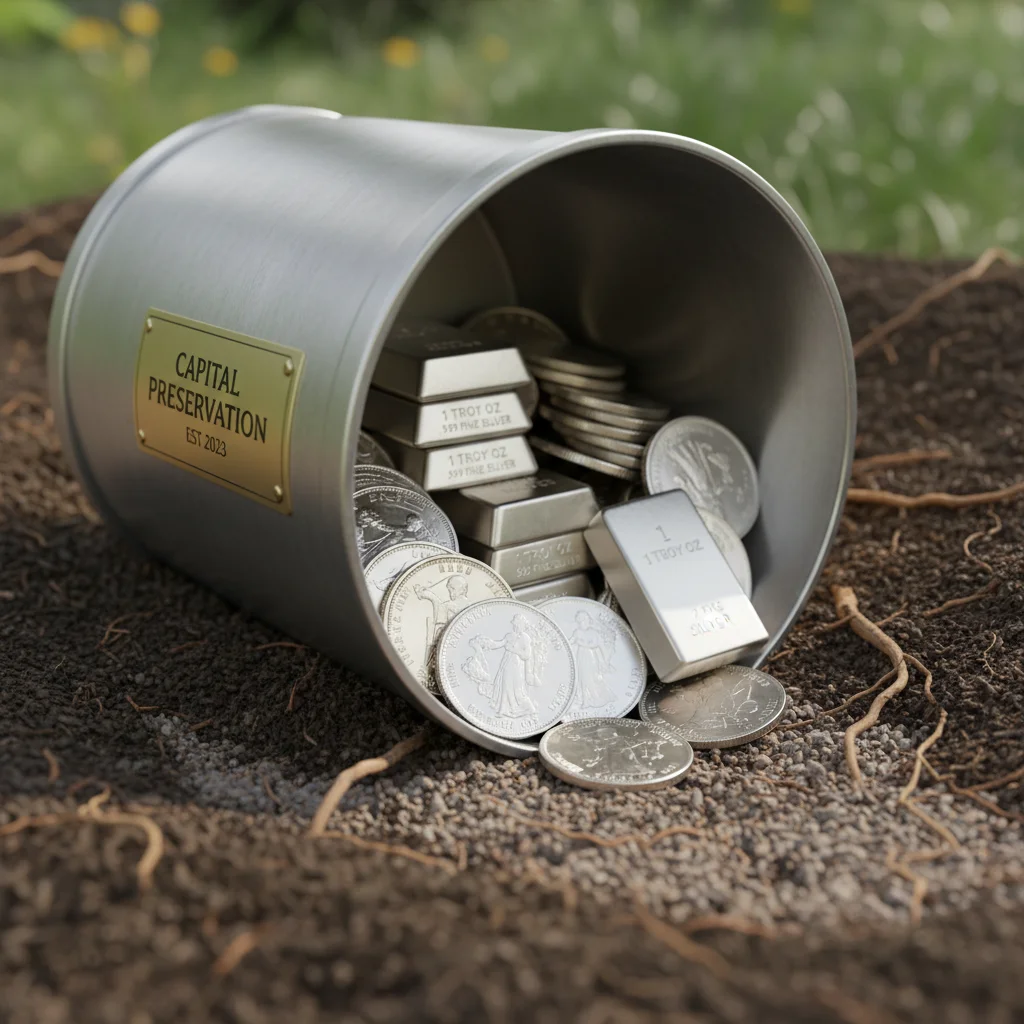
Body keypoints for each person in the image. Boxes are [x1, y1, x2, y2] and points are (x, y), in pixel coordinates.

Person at [471, 613, 540, 718]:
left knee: (518, 690)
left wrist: (514, 650)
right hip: (506, 665)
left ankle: (531, 709)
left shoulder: (526, 638)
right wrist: (486, 642)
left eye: (517, 624)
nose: (515, 626)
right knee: (504, 685)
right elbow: (498, 644)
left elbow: (527, 655)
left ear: (522, 625)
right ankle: (503, 710)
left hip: (517, 667)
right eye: (514, 624)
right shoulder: (509, 635)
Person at [414, 574, 472, 665]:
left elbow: (439, 623)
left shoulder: (450, 606)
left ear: (464, 590)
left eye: (453, 589)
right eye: (449, 589)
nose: (450, 592)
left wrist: (427, 595)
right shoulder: (470, 606)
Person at [567, 610, 614, 710]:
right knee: (582, 678)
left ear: (587, 620)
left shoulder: (593, 632)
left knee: (592, 678)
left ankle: (596, 697)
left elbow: (600, 646)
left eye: (583, 620)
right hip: (581, 657)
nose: (581, 623)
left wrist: (605, 661)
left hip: (591, 658)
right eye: (579, 621)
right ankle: (585, 701)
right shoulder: (577, 632)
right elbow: (570, 642)